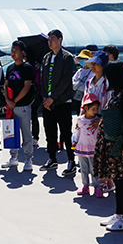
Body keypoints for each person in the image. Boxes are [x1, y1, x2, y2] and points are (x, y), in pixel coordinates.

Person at [95, 62, 123, 231]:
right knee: (118, 181)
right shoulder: (118, 93)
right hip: (113, 146)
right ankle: (119, 214)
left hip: (121, 147)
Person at [40, 29, 76, 175]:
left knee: (66, 133)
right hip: (48, 103)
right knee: (50, 132)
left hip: (62, 101)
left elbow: (65, 81)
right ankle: (52, 158)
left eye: (53, 39)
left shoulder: (67, 57)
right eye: (48, 39)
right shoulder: (46, 57)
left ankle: (71, 160)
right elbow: (43, 78)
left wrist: (52, 98)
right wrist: (45, 98)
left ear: (60, 40)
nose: (50, 42)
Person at [2, 40, 36, 171]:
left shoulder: (27, 67)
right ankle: (13, 158)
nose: (13, 53)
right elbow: (6, 85)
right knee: (11, 132)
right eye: (12, 50)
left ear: (22, 52)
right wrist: (7, 100)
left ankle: (28, 159)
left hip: (22, 106)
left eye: (16, 50)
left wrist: (14, 101)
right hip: (10, 106)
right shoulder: (10, 68)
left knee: (26, 133)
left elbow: (26, 87)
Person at [73, 93, 102, 196]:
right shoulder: (80, 120)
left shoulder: (98, 121)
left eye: (96, 109)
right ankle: (85, 187)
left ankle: (97, 187)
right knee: (84, 169)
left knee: (94, 169)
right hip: (82, 148)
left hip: (93, 148)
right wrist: (75, 142)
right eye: (93, 109)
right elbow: (78, 132)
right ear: (86, 108)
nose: (95, 111)